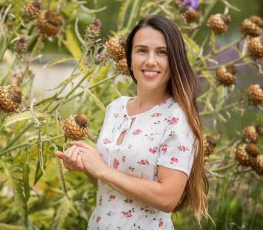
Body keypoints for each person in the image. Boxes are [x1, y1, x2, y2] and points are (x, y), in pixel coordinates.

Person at [55, 15, 209, 229]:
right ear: (130, 58)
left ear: (174, 60)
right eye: (142, 50)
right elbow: (108, 184)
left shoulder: (177, 119)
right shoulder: (116, 108)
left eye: (162, 52)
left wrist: (102, 170)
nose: (150, 61)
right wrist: (87, 166)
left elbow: (168, 199)